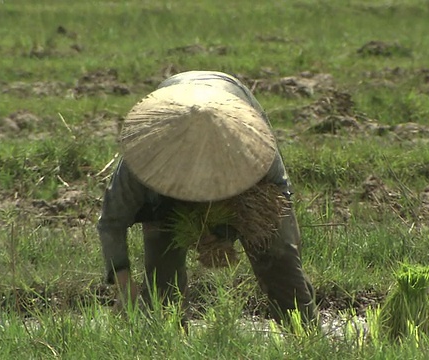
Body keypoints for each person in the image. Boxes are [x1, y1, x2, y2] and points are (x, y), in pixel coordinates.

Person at [97, 71, 318, 329]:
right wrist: (124, 287)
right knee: (161, 277)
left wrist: (224, 232)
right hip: (167, 176)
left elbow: (280, 200)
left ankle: (306, 335)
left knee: (280, 262)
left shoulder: (252, 148)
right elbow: (111, 222)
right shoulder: (144, 159)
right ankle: (165, 340)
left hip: (229, 104)